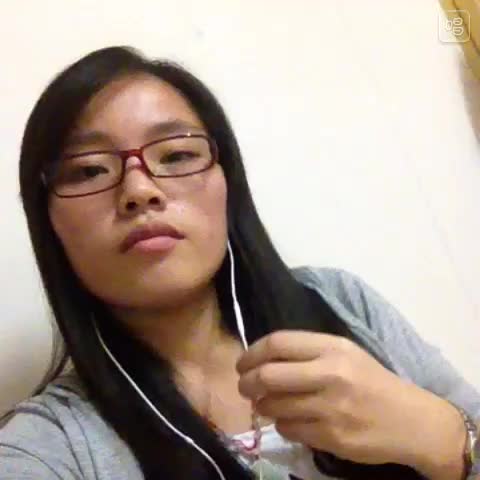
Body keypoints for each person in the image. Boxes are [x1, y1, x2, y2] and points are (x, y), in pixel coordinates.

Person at [1, 46, 479, 480]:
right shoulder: (51, 444)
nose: (140, 190)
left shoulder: (341, 303)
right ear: (48, 222)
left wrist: (444, 439)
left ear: (227, 183)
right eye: (88, 170)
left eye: (177, 155)